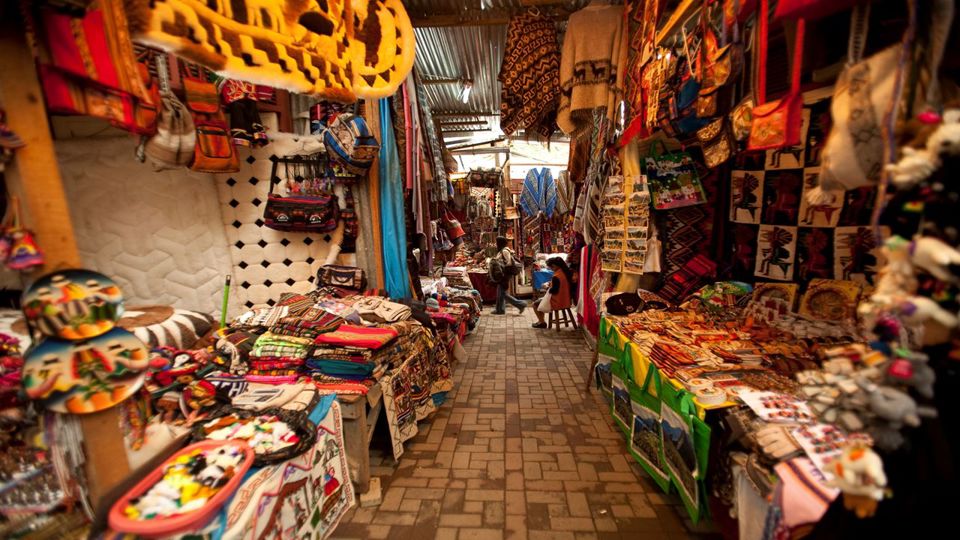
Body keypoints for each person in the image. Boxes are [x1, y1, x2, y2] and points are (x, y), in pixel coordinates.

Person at [532, 257, 575, 329]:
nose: (551, 269)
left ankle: (541, 322)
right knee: (540, 301)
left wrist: (546, 287)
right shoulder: (566, 273)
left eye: (551, 267)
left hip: (557, 301)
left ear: (555, 265)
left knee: (535, 304)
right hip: (566, 300)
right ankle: (541, 322)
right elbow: (560, 285)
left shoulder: (556, 276)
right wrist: (550, 284)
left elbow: (554, 291)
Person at [492, 236, 526, 315]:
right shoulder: (501, 251)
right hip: (503, 273)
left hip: (505, 274)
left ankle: (520, 304)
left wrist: (499, 266)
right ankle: (500, 309)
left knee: (502, 293)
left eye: (497, 242)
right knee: (500, 292)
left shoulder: (504, 251)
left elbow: (508, 262)